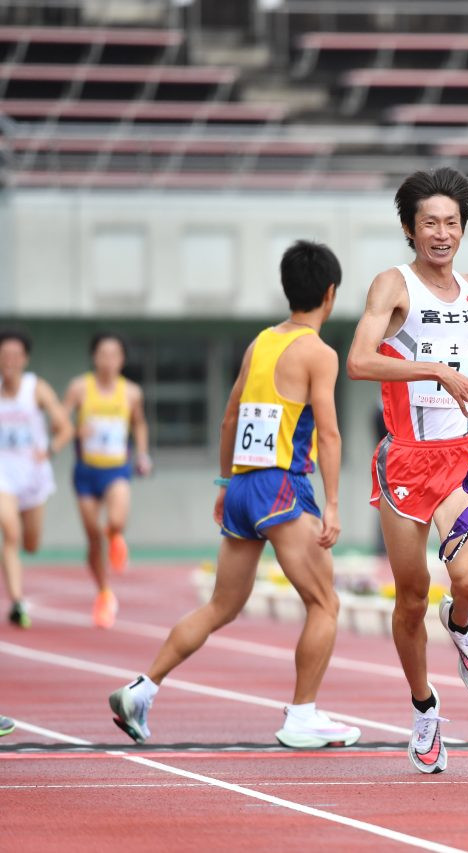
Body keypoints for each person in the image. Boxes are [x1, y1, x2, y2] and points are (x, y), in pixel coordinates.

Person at [108, 240, 360, 750]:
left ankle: (143, 688)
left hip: (244, 485)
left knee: (222, 605)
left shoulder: (260, 343)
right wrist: (333, 504)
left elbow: (229, 418)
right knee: (324, 602)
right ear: (330, 294)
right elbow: (330, 434)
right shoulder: (319, 353)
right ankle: (302, 715)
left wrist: (226, 486)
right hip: (282, 486)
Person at [346, 168, 468, 775]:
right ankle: (424, 708)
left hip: (464, 455)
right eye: (429, 223)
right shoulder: (393, 285)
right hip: (406, 458)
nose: (441, 233)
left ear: (463, 229)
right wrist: (434, 370)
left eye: (451, 223)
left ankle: (459, 623)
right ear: (410, 229)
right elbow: (358, 362)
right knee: (409, 597)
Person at [62, 332, 151, 628]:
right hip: (86, 472)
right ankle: (103, 593)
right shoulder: (79, 387)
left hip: (116, 470)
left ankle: (115, 536)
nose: (108, 361)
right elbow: (59, 421)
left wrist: (143, 454)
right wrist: (75, 431)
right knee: (92, 537)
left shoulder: (131, 392)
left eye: (114, 355)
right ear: (94, 357)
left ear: (122, 359)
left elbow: (139, 424)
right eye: (103, 354)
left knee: (116, 520)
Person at [0, 330, 73, 629]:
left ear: (25, 359)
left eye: (16, 355)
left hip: (33, 474)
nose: (10, 360)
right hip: (3, 474)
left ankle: (17, 590)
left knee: (30, 543)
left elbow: (65, 427)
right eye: (5, 354)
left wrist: (51, 449)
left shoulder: (36, 388)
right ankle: (17, 601)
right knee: (10, 533)